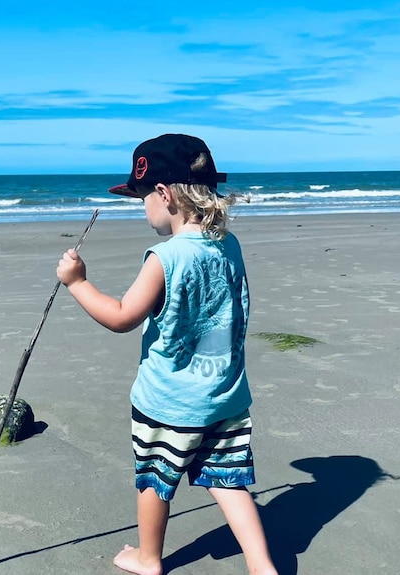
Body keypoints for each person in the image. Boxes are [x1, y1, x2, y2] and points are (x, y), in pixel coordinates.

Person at [56, 134, 277, 575]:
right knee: (229, 481)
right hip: (226, 396)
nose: (142, 208)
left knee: (155, 479)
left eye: (142, 198)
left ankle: (149, 558)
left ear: (164, 194)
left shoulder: (166, 256)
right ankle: (261, 565)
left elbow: (122, 316)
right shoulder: (228, 245)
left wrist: (77, 283)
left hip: (170, 401)